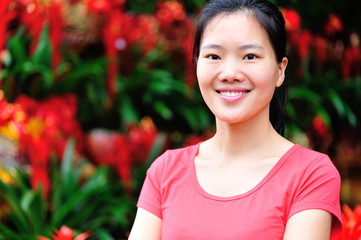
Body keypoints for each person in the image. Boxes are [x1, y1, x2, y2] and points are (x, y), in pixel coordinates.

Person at [128, 0, 342, 239]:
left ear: (280, 70)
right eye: (213, 56)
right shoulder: (165, 171)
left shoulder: (310, 174)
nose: (229, 73)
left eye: (250, 56)